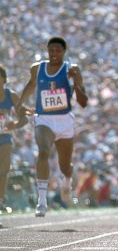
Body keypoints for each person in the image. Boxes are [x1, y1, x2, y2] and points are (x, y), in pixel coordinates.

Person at [15, 36, 88, 217]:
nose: (54, 54)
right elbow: (31, 85)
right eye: (51, 50)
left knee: (64, 166)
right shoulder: (37, 68)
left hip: (64, 120)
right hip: (44, 119)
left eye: (58, 51)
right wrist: (19, 104)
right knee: (44, 151)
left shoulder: (72, 69)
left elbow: (83, 102)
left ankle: (68, 180)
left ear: (64, 52)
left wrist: (75, 82)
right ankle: (42, 201)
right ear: (47, 51)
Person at [0, 65, 30, 223]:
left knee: (3, 171)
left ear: (4, 80)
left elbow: (24, 118)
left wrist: (15, 124)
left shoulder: (11, 96)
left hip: (4, 137)